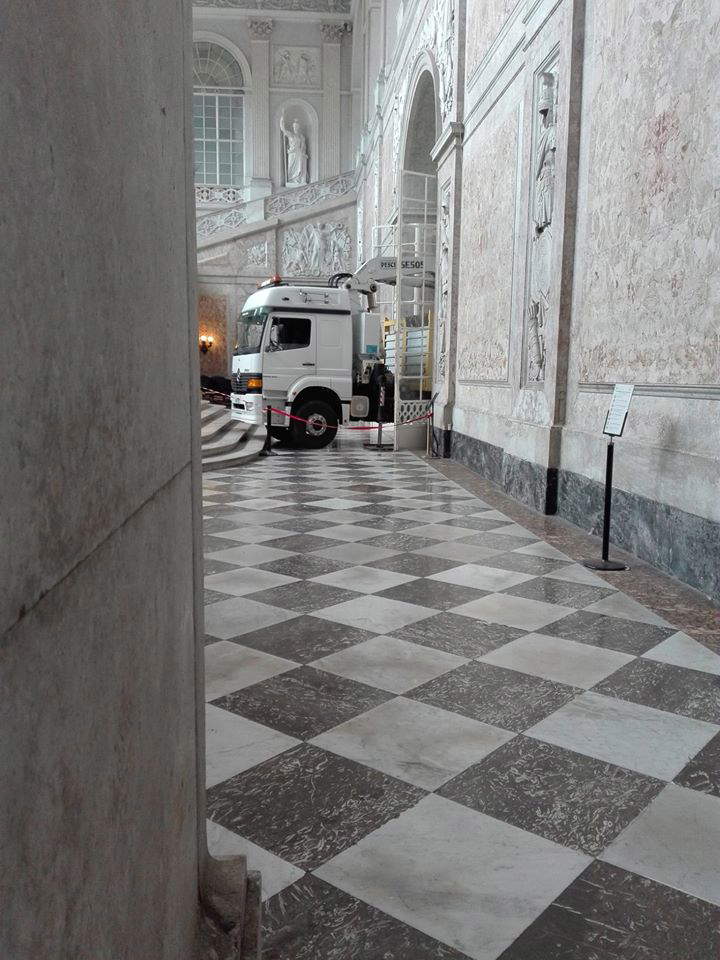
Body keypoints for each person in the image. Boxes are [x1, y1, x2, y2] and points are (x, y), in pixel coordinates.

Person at [280, 114, 309, 186]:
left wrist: (303, 153)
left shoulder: (301, 137)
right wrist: (282, 121)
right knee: (291, 167)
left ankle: (299, 179)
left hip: (299, 153)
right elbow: (283, 129)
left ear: (298, 127)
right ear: (293, 127)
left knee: (301, 164)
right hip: (292, 154)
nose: (295, 128)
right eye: (294, 126)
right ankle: (292, 179)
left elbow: (303, 146)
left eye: (297, 126)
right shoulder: (290, 134)